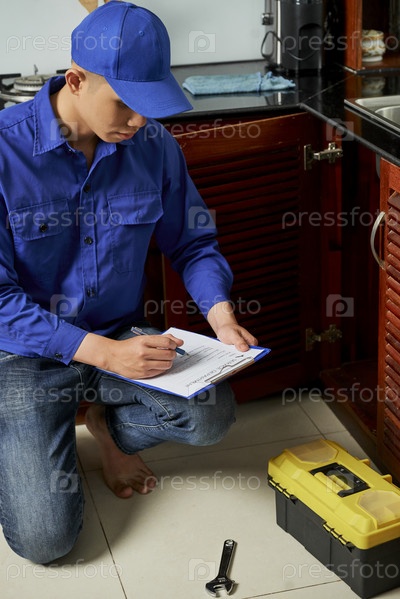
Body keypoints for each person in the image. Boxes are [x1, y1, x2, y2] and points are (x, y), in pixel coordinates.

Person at [0, 1, 257, 565]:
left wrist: (219, 314)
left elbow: (193, 243)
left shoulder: (153, 145)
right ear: (76, 79)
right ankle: (34, 442)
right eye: (125, 103)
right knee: (46, 542)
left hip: (120, 333)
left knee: (210, 415)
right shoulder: (3, 152)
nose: (139, 120)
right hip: (24, 355)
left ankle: (103, 425)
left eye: (150, 104)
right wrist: (101, 354)